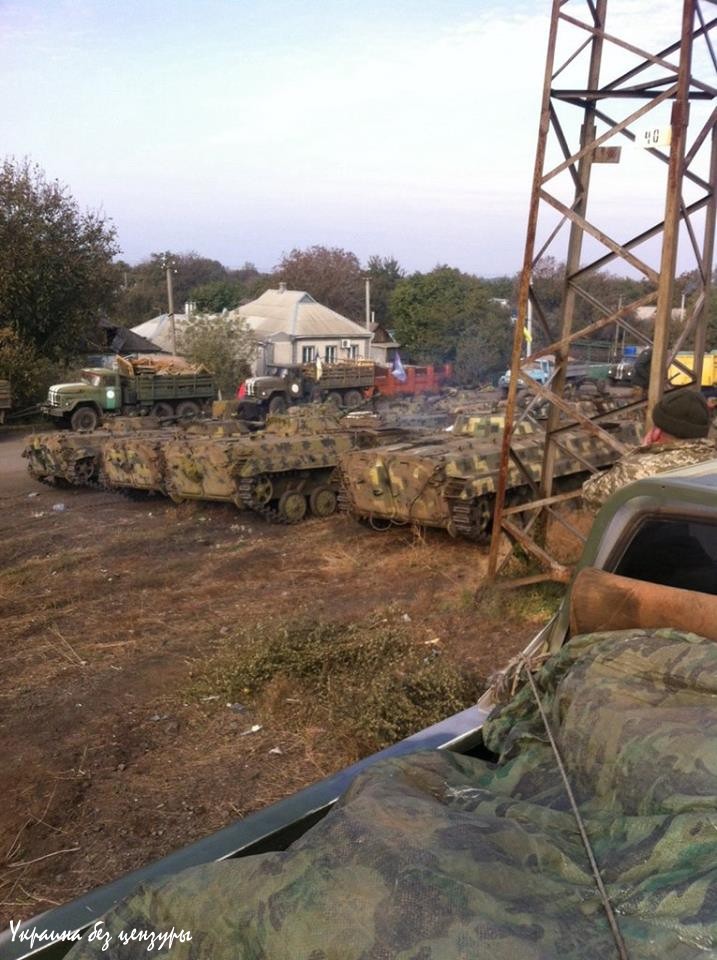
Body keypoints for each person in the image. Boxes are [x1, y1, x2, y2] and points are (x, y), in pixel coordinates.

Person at [582, 389, 716, 510]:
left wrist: (641, 454)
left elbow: (591, 494)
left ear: (657, 432)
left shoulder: (638, 469)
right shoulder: (712, 462)